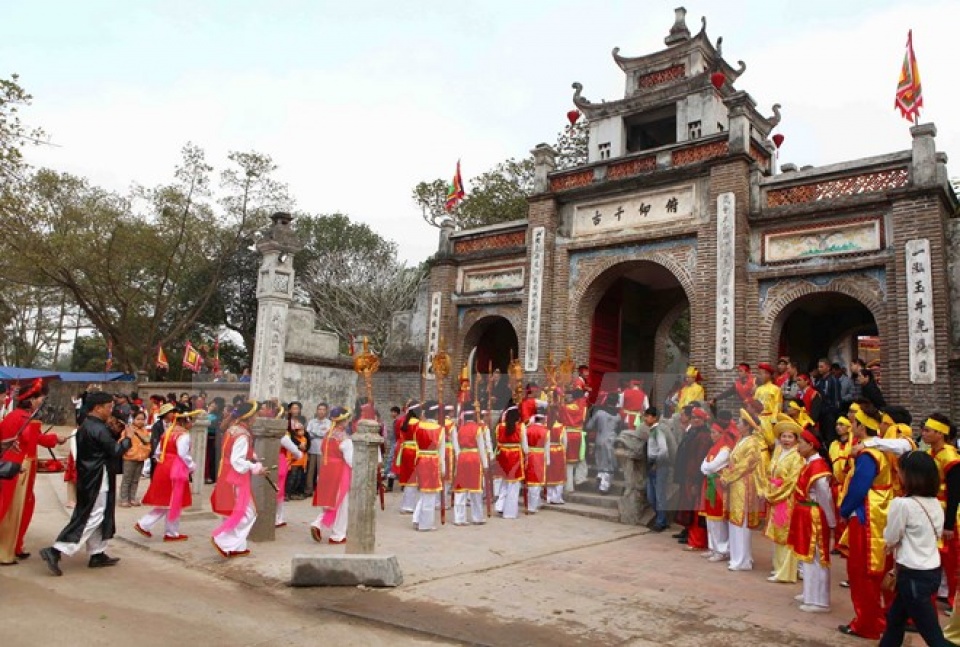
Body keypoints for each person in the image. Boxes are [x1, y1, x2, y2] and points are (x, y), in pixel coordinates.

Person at [39, 392, 132, 576]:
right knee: (93, 515)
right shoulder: (97, 428)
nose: (110, 411)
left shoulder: (89, 426)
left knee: (99, 513)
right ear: (98, 408)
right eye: (108, 407)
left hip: (90, 475)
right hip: (97, 478)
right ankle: (57, 549)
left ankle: (97, 552)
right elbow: (114, 450)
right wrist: (128, 438)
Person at [879, 451, 950, 647]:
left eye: (899, 471)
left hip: (912, 573)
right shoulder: (936, 502)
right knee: (895, 620)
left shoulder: (902, 504)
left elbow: (891, 536)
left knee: (932, 634)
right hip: (930, 570)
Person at [837, 406, 894, 640]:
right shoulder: (875, 450)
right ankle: (874, 619)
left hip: (867, 516)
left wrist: (845, 509)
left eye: (855, 422)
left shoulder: (869, 454)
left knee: (862, 573)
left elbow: (859, 488)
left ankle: (867, 623)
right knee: (870, 572)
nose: (851, 425)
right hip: (874, 514)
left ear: (861, 426)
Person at [0, 379, 60, 564]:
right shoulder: (24, 419)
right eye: (40, 397)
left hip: (14, 466)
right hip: (19, 469)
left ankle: (15, 546)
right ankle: (5, 552)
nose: (42, 400)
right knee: (13, 508)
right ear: (32, 400)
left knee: (17, 506)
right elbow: (32, 440)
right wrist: (52, 438)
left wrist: (52, 439)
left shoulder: (13, 416)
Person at [787, 430, 836, 613]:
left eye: (800, 443)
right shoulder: (809, 463)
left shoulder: (819, 467)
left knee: (816, 556)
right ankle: (810, 593)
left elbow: (825, 496)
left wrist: (831, 522)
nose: (797, 446)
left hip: (815, 513)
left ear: (810, 445)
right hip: (805, 512)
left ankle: (820, 600)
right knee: (806, 555)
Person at [134, 409, 200, 541]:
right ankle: (157, 528)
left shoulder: (167, 432)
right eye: (191, 421)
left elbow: (158, 452)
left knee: (168, 501)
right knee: (174, 500)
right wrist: (192, 465)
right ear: (186, 421)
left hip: (164, 466)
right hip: (176, 467)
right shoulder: (184, 435)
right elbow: (183, 454)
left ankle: (164, 530)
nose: (192, 424)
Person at [210, 401, 264, 558]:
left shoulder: (232, 429)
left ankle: (237, 547)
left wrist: (252, 456)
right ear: (249, 416)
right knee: (248, 512)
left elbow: (233, 452)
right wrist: (255, 467)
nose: (257, 417)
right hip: (236, 475)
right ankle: (222, 539)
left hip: (226, 472)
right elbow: (237, 460)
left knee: (233, 509)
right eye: (256, 414)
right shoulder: (243, 434)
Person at [720, 408, 770, 571]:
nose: (738, 425)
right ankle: (737, 557)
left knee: (741, 521)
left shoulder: (753, 443)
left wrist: (728, 476)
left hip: (744, 483)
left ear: (747, 426)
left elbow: (745, 465)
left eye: (740, 423)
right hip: (736, 483)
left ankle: (742, 560)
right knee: (735, 521)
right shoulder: (741, 440)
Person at [764, 416, 804, 584]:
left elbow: (792, 481)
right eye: (784, 436)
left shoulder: (797, 456)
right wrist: (768, 488)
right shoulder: (778, 451)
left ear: (796, 439)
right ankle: (778, 567)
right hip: (774, 496)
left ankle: (786, 572)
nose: (786, 440)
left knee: (785, 535)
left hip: (786, 499)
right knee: (777, 535)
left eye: (790, 437)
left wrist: (775, 494)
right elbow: (770, 472)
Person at [310, 407, 353, 543]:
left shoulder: (328, 435)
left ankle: (318, 523)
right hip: (340, 470)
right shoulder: (344, 438)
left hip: (327, 468)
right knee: (341, 503)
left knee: (330, 501)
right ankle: (337, 534)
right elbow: (351, 460)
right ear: (343, 421)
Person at [673, 407, 714, 550]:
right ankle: (686, 530)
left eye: (698, 418)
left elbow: (699, 458)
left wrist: (696, 478)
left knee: (691, 505)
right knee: (686, 504)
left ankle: (692, 534)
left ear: (704, 420)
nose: (695, 420)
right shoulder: (693, 432)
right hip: (687, 474)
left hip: (694, 475)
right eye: (693, 418)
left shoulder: (703, 436)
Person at [699, 421, 734, 562]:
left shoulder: (725, 450)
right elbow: (703, 467)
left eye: (715, 432)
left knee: (718, 519)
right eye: (711, 432)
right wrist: (707, 468)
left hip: (718, 486)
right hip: (709, 484)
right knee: (710, 518)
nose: (712, 435)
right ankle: (712, 546)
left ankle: (722, 550)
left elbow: (712, 466)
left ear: (721, 434)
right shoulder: (713, 448)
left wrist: (707, 468)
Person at [452, 404, 488, 525]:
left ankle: (459, 518)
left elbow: (456, 446)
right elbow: (482, 447)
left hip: (462, 457)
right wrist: (485, 464)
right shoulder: (477, 429)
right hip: (474, 458)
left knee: (461, 489)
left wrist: (458, 458)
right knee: (476, 489)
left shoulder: (460, 429)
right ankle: (477, 517)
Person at [411, 402, 444, 531]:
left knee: (424, 492)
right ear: (436, 414)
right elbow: (441, 451)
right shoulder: (439, 429)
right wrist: (443, 468)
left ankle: (417, 518)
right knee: (430, 494)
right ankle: (426, 524)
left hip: (420, 459)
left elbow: (415, 445)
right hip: (432, 461)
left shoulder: (418, 427)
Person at [586, 393, 621, 494]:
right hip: (611, 441)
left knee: (600, 460)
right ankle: (604, 487)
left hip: (600, 439)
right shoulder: (618, 416)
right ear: (616, 402)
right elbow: (619, 430)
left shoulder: (599, 413)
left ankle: (600, 476)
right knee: (609, 463)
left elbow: (589, 426)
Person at [495, 405, 524, 519]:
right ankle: (510, 512)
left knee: (504, 482)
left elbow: (497, 442)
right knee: (514, 485)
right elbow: (524, 445)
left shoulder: (499, 427)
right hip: (515, 455)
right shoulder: (520, 427)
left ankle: (500, 506)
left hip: (503, 455)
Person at [119, 410, 151, 507]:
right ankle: (124, 499)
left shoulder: (145, 431)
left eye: (142, 419)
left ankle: (132, 498)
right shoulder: (128, 430)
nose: (140, 421)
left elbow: (148, 442)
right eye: (138, 419)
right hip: (130, 457)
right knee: (127, 479)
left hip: (141, 458)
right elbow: (122, 442)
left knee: (135, 479)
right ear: (133, 419)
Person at [276, 419, 305, 528]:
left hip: (269, 461)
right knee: (279, 491)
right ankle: (278, 518)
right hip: (280, 461)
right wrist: (298, 456)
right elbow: (296, 451)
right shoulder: (284, 437)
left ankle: (278, 517)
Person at [559, 388, 588, 492]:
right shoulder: (581, 407)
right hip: (579, 435)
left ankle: (568, 486)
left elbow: (560, 418)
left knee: (567, 462)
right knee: (579, 458)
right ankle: (578, 479)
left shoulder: (564, 408)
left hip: (568, 434)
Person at [395, 403, 420, 513]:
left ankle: (406, 504)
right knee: (412, 480)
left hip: (404, 450)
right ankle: (409, 505)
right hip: (414, 451)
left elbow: (398, 436)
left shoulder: (402, 422)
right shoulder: (418, 424)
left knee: (407, 478)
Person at [523, 408, 549, 514]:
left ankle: (532, 503)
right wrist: (548, 461)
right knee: (537, 482)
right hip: (540, 456)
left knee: (530, 482)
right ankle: (533, 506)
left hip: (529, 455)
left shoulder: (527, 429)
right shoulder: (546, 431)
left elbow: (524, 445)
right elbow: (547, 448)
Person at [304, 403, 330, 497]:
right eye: (319, 409)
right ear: (316, 410)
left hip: (322, 450)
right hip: (311, 449)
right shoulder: (311, 422)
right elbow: (308, 434)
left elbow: (326, 435)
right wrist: (319, 434)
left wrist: (315, 434)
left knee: (321, 471)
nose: (321, 411)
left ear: (326, 411)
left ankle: (321, 490)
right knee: (310, 471)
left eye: (323, 409)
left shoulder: (329, 423)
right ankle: (308, 490)